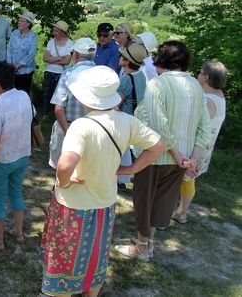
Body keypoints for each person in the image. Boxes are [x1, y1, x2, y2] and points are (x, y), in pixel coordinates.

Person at [41, 65, 165, 297]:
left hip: (73, 205)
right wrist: (131, 168)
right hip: (104, 202)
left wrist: (63, 182)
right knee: (95, 253)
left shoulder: (81, 126)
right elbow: (158, 145)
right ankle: (90, 292)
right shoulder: (126, 121)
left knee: (64, 254)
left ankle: (61, 292)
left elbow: (66, 164)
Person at [115, 41, 210, 261]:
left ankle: (142, 246)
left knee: (144, 199)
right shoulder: (196, 86)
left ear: (161, 60)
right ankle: (149, 244)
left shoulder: (157, 85)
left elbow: (159, 125)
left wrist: (179, 155)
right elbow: (204, 126)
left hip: (155, 155)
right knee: (163, 201)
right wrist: (192, 159)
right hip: (182, 158)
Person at [0, 62, 32, 251]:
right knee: (16, 193)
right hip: (22, 156)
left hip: (1, 161)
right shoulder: (24, 96)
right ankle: (19, 233)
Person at [173, 59, 228, 224]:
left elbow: (197, 123)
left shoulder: (209, 100)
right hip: (203, 146)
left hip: (197, 148)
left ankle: (182, 212)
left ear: (206, 77)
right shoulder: (217, 96)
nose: (198, 74)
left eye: (201, 72)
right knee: (187, 179)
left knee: (187, 178)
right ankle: (180, 211)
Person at [48, 37, 96, 169]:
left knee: (63, 170)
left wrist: (67, 131)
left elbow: (58, 108)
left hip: (69, 126)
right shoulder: (102, 74)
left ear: (75, 55)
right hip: (94, 130)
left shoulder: (68, 74)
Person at [115, 42, 149, 189]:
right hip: (136, 119)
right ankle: (125, 178)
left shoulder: (126, 79)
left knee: (121, 150)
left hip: (125, 119)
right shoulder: (141, 76)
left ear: (127, 61)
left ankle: (120, 179)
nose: (120, 57)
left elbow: (116, 103)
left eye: (122, 55)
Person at [41, 20, 73, 118]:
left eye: (56, 31)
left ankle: (59, 114)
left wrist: (52, 59)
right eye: (54, 30)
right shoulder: (51, 42)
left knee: (60, 95)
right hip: (49, 71)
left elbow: (67, 61)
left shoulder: (70, 43)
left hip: (62, 73)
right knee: (47, 94)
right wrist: (59, 58)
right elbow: (45, 58)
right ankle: (45, 114)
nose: (53, 33)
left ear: (63, 32)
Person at [6, 11, 38, 95]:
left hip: (26, 71)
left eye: (22, 21)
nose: (19, 22)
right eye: (19, 20)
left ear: (28, 24)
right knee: (12, 92)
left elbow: (31, 54)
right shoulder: (14, 33)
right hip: (12, 69)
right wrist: (10, 64)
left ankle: (24, 107)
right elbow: (9, 49)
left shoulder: (33, 36)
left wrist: (19, 65)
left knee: (24, 93)